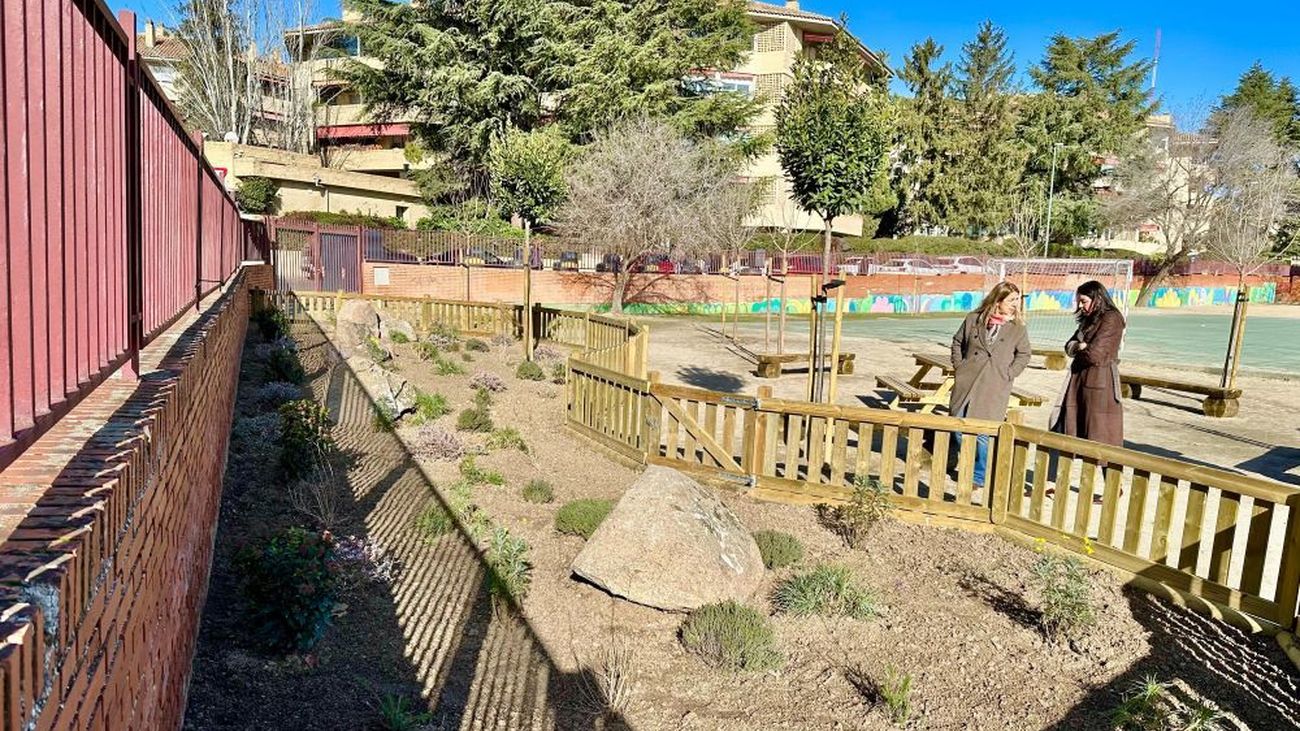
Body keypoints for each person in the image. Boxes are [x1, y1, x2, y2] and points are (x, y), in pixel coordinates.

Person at [950, 281, 1032, 487]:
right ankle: (968, 465)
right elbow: (958, 342)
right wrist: (959, 366)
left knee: (984, 434)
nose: (1016, 304)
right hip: (967, 379)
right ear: (998, 300)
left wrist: (1009, 373)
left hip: (995, 383)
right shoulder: (973, 319)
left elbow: (1024, 354)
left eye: (1017, 300)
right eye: (1011, 300)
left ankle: (978, 476)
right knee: (958, 426)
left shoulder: (1017, 328)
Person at [1050, 280, 1126, 446]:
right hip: (1081, 380)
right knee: (1078, 434)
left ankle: (1110, 471)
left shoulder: (1111, 318)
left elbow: (1094, 355)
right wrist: (1081, 346)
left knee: (1102, 437)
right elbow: (1069, 347)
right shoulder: (1089, 319)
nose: (1081, 306)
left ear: (1097, 298)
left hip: (1100, 382)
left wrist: (1083, 348)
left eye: (1084, 301)